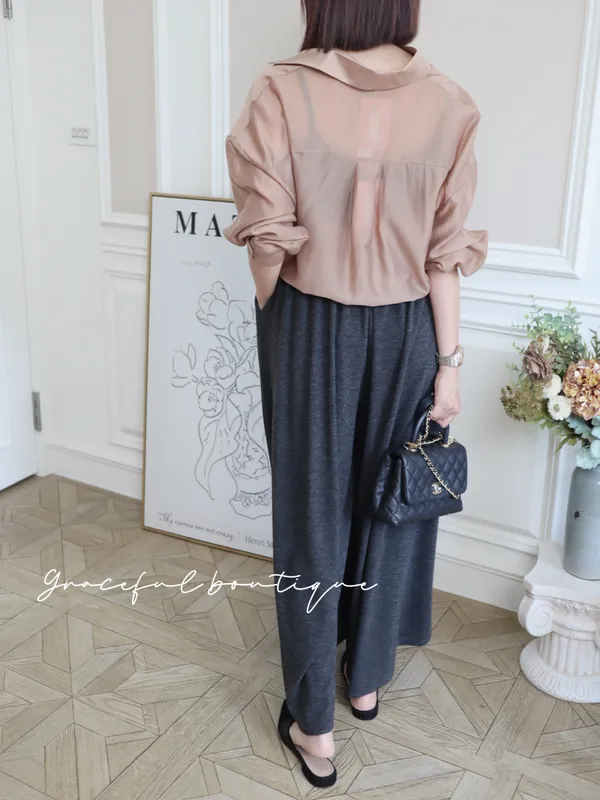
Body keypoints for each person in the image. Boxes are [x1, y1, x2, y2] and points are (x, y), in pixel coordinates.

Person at [224, 0, 488, 788]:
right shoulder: (450, 103)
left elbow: (267, 243)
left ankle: (315, 726)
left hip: (311, 325)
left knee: (312, 517)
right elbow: (445, 257)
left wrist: (280, 311)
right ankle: (364, 681)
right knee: (390, 505)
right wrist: (449, 365)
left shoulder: (280, 89)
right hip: (412, 330)